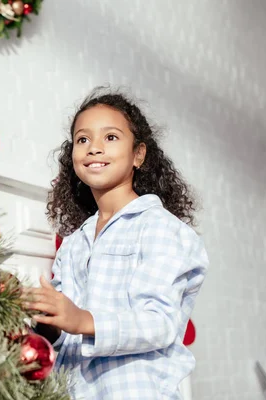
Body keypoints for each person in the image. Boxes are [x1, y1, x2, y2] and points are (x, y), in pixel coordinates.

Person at [23, 87, 209, 399]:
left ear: (139, 154)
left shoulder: (161, 229)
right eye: (83, 139)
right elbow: (67, 336)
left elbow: (158, 324)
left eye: (110, 137)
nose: (94, 148)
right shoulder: (73, 244)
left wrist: (82, 319)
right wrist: (48, 323)